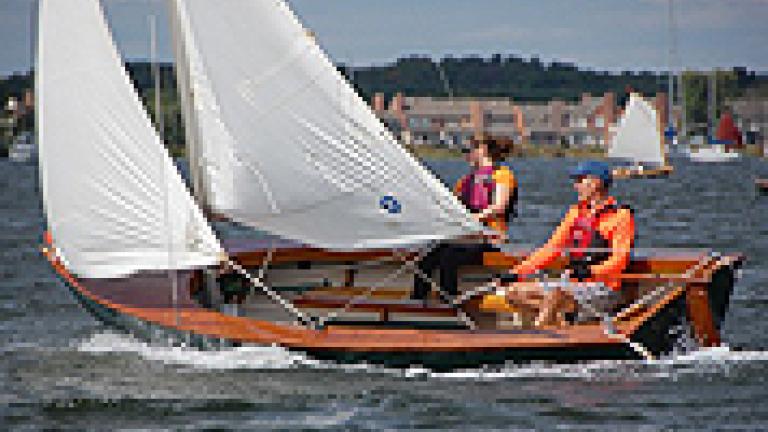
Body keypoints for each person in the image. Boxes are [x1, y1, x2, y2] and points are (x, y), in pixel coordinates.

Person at [490, 160, 634, 326]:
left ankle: (537, 337)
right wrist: (517, 273)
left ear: (596, 183)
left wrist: (590, 271)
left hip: (603, 287)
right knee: (513, 292)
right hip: (572, 283)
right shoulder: (575, 213)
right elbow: (551, 250)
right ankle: (562, 322)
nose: (575, 186)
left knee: (556, 296)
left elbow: (620, 260)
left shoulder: (621, 216)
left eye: (580, 180)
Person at [412, 134, 517, 301]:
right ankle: (417, 301)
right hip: (466, 238)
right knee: (426, 258)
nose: (465, 156)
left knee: (449, 258)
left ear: (482, 150)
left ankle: (450, 301)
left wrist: (473, 219)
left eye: (468, 151)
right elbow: (453, 207)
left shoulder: (502, 175)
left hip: (489, 238)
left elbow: (499, 206)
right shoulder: (465, 181)